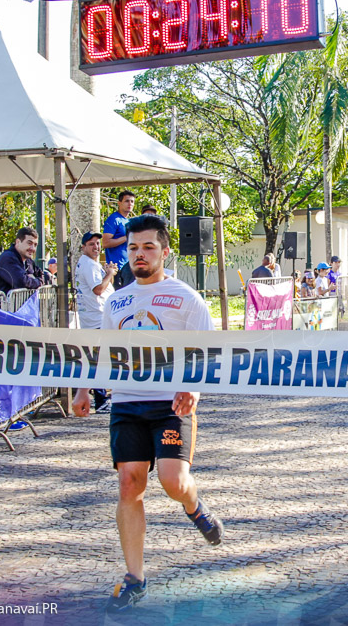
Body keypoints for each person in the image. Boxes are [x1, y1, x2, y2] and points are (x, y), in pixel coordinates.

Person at [72, 214, 224, 614]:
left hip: (170, 404)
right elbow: (102, 350)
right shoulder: (118, 300)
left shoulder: (187, 298)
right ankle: (134, 578)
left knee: (174, 482)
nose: (139, 255)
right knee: (129, 484)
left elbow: (208, 351)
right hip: (126, 401)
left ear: (165, 251)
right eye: (134, 248)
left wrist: (191, 388)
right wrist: (84, 388)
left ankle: (194, 507)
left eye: (148, 247)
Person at [73, 232, 118, 414]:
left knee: (100, 359)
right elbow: (98, 289)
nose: (96, 247)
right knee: (99, 360)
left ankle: (102, 396)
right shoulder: (88, 264)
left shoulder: (92, 264)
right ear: (83, 247)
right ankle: (100, 399)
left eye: (98, 244)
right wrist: (109, 273)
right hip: (96, 319)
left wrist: (109, 273)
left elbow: (104, 285)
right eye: (91, 244)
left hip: (100, 316)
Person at [0, 227, 50, 294]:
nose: (33, 248)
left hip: (23, 304)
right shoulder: (7, 258)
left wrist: (34, 281)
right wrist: (36, 281)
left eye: (35, 245)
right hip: (6, 304)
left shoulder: (28, 261)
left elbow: (42, 275)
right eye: (29, 243)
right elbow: (21, 282)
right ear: (18, 242)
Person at [102, 191, 136, 277]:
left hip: (128, 266)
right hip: (117, 268)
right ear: (119, 203)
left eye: (132, 201)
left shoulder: (129, 221)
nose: (130, 204)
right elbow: (105, 243)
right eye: (127, 201)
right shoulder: (114, 219)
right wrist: (127, 237)